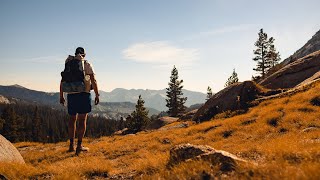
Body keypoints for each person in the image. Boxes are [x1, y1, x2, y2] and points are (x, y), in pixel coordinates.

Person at [59, 47, 100, 156]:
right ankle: (79, 146)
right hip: (83, 95)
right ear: (84, 54)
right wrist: (96, 94)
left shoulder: (68, 63)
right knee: (82, 120)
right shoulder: (86, 64)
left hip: (71, 95)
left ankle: (71, 146)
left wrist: (61, 96)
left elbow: (62, 80)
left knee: (72, 120)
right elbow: (93, 80)